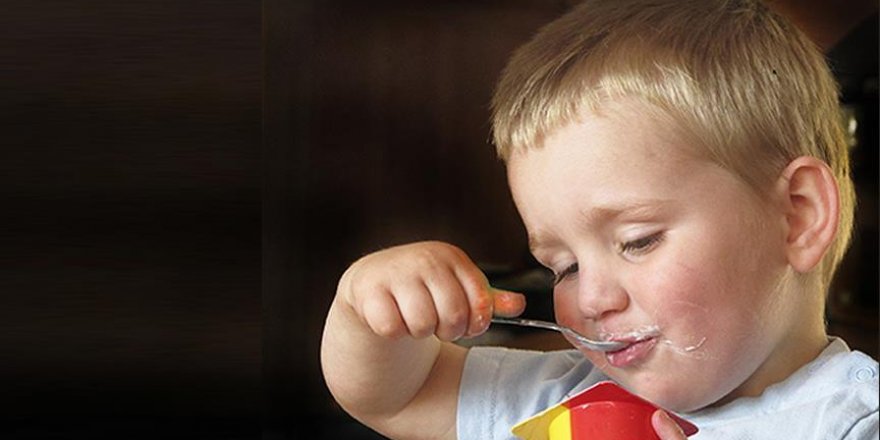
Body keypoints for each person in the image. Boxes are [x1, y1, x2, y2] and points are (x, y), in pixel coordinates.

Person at [320, 0, 879, 438]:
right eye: (562, 267)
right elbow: (396, 396)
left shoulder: (853, 421)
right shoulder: (561, 396)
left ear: (796, 215)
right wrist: (365, 308)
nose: (590, 300)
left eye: (637, 241)